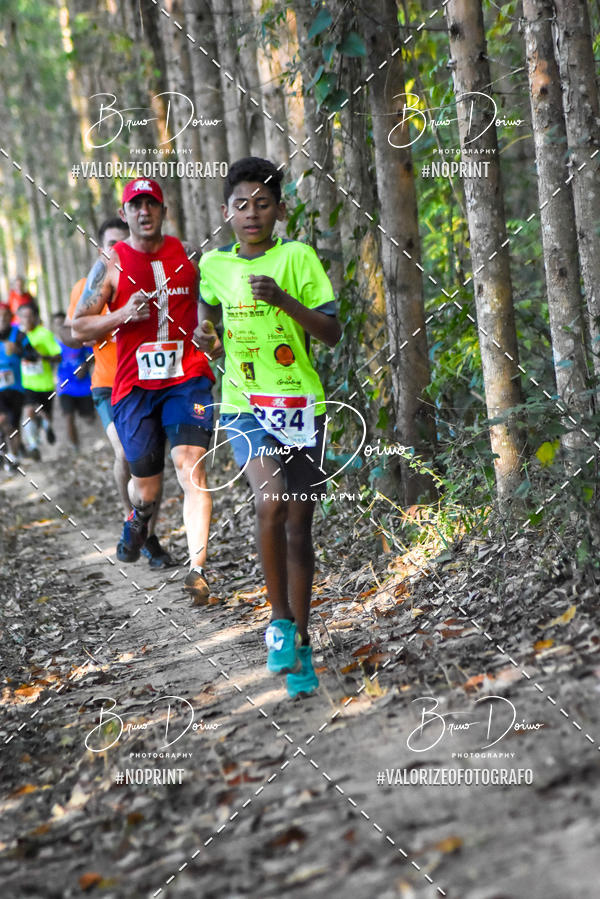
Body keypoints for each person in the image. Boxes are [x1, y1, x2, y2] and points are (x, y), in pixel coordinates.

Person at [196, 156, 341, 698]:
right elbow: (205, 319)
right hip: (243, 405)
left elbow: (330, 333)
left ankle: (302, 643)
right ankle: (279, 622)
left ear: (279, 210)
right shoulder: (215, 266)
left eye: (262, 203)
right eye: (241, 205)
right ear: (227, 212)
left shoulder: (298, 258)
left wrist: (283, 300)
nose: (251, 213)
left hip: (301, 407)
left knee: (300, 530)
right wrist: (206, 340)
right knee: (270, 501)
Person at [72, 180, 215, 601]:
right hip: (134, 385)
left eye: (151, 204)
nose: (144, 212)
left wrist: (211, 334)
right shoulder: (112, 263)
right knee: (147, 488)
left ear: (163, 210)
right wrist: (118, 315)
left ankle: (197, 570)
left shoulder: (188, 254)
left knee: (192, 470)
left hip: (187, 375)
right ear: (125, 213)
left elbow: (210, 309)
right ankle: (139, 516)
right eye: (136, 206)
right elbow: (80, 326)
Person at [65, 218, 173, 568]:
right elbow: (75, 331)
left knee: (151, 464)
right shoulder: (87, 285)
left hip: (146, 383)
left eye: (122, 242)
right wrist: (110, 320)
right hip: (108, 384)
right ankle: (132, 519)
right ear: (101, 249)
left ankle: (149, 537)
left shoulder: (144, 278)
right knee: (126, 454)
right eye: (112, 244)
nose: (118, 248)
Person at [16, 303, 61, 460]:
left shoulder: (44, 334)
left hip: (46, 385)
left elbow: (58, 356)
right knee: (30, 411)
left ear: (35, 317)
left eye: (29, 316)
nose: (26, 319)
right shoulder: (18, 336)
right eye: (23, 316)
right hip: (27, 385)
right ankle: (33, 445)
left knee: (45, 416)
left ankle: (47, 426)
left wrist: (43, 357)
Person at [50, 311, 95, 450]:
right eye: (57, 324)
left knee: (89, 418)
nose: (60, 327)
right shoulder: (52, 343)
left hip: (84, 385)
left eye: (62, 323)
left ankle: (93, 431)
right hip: (65, 385)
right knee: (69, 417)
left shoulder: (79, 339)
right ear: (53, 326)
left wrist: (85, 366)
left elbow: (93, 354)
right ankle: (76, 447)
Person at [0, 302, 25, 469]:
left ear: (10, 317)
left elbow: (32, 354)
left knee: (14, 424)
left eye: (5, 315)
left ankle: (13, 456)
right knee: (3, 420)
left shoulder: (19, 334)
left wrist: (17, 350)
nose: (2, 319)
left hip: (16, 386)